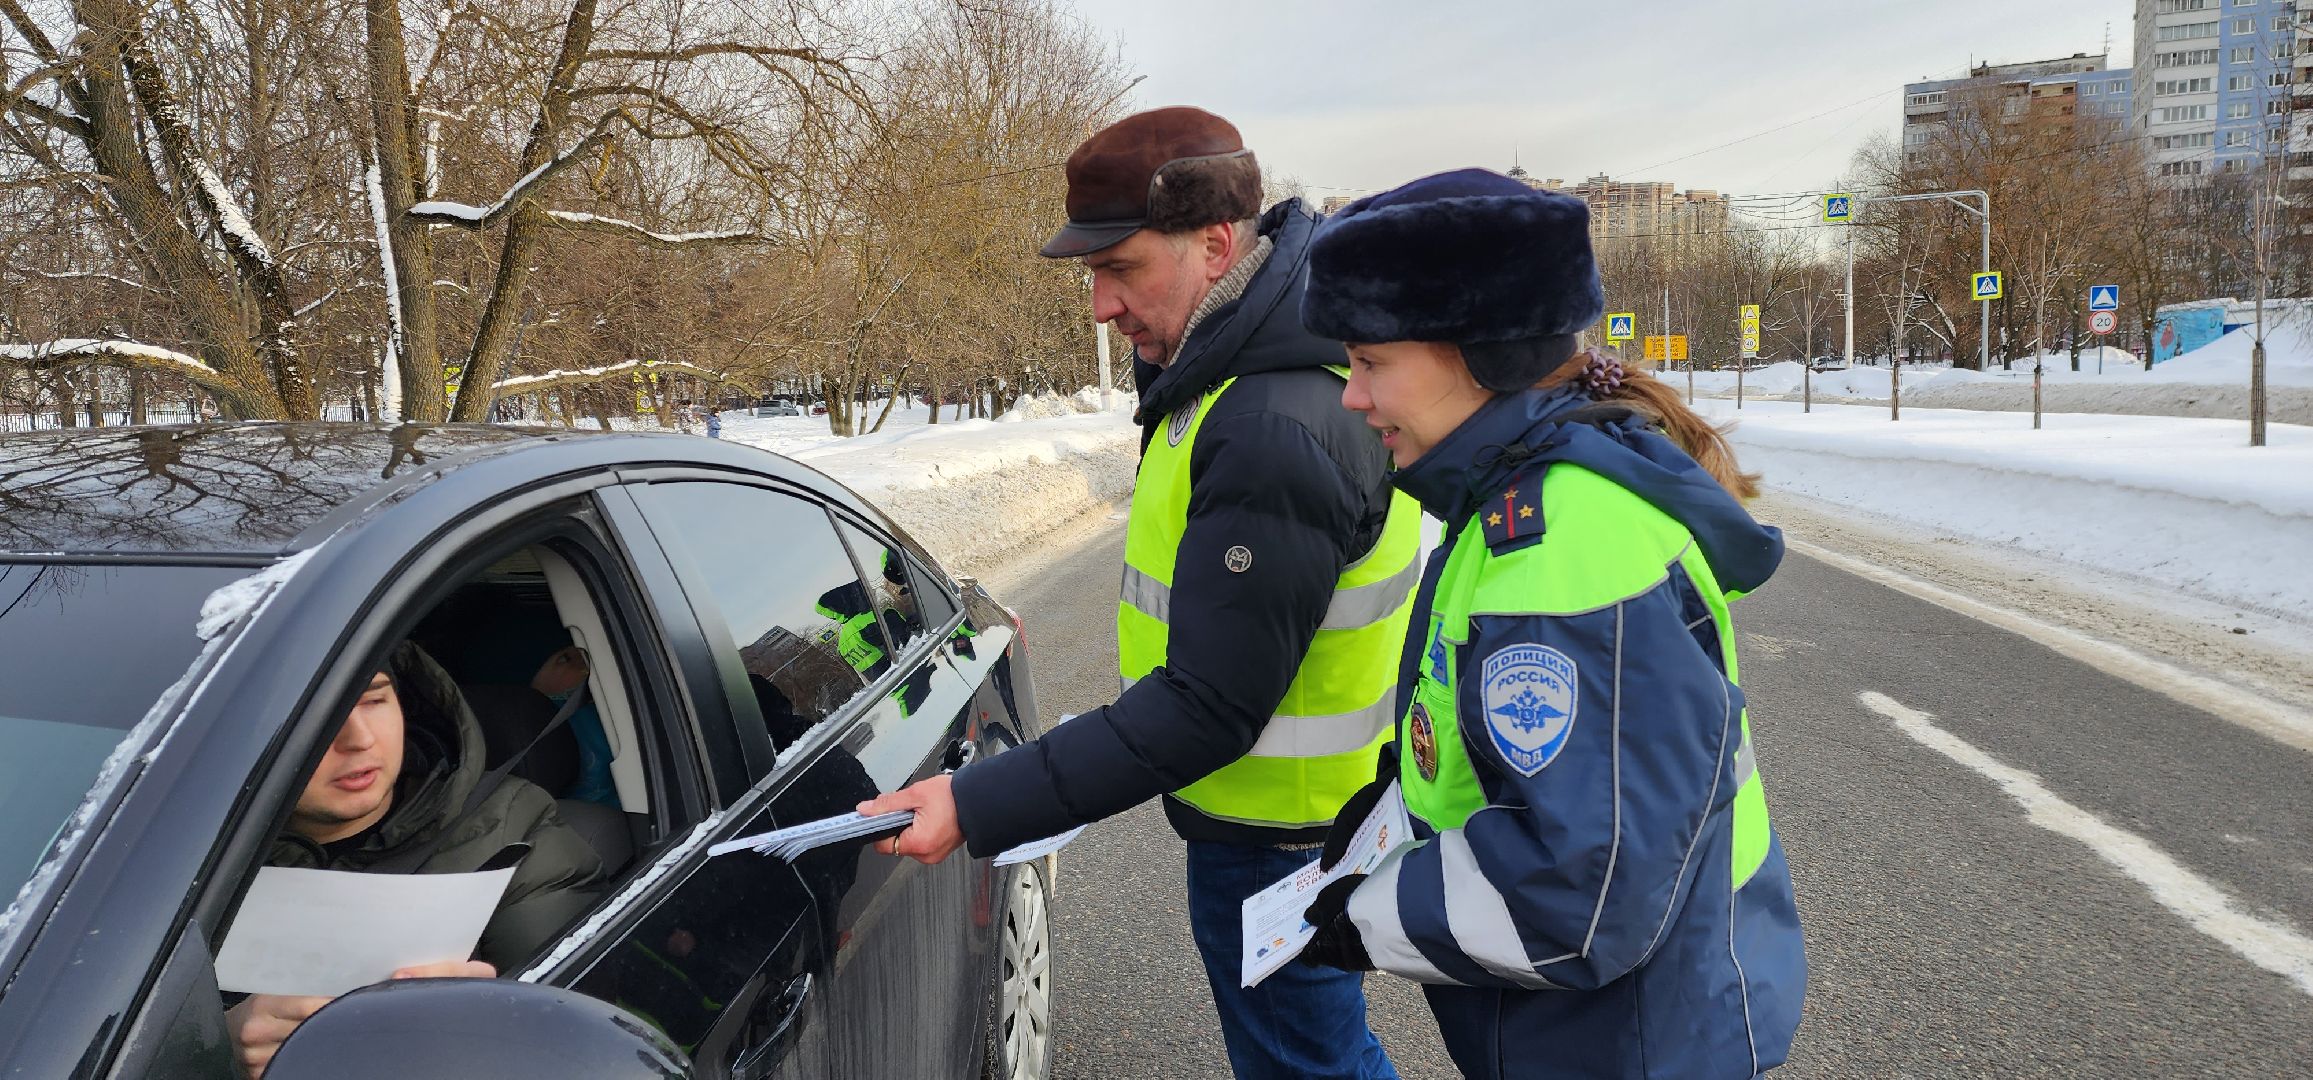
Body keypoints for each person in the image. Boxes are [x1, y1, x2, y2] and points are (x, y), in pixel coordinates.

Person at [859, 106, 1419, 1079]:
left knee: (1309, 1067)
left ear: (1213, 245)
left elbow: (1209, 705)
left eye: (1119, 269)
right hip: (1294, 816)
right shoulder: (1239, 370)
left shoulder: (1274, 418)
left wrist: (982, 798)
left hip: (1279, 837)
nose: (1099, 307)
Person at [1282, 168, 1809, 1079]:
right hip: (1612, 1031)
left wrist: (1361, 916)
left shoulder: (1561, 542)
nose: (1350, 398)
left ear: (1479, 356)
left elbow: (1582, 896)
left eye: (1370, 363)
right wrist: (1389, 819)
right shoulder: (1509, 505)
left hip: (1631, 1046)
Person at [225, 641, 604, 1078]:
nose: (360, 739)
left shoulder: (512, 830)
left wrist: (481, 1027)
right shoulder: (185, 855)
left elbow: (573, 1040)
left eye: (374, 700)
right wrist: (215, 1042)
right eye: (315, 716)